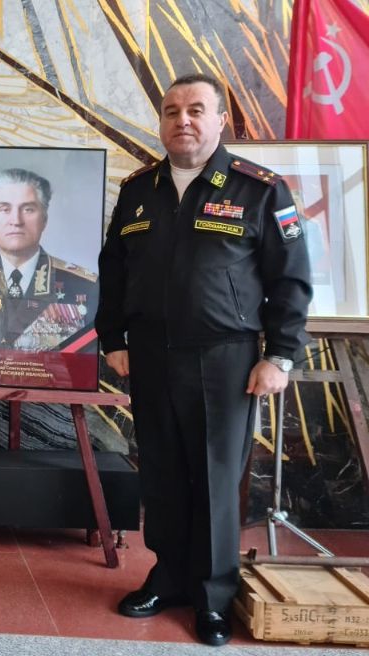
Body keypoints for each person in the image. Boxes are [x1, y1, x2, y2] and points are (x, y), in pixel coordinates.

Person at [96, 73, 311, 646]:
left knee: (215, 479)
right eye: (171, 111)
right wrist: (112, 338)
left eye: (195, 110)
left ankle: (214, 596)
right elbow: (114, 269)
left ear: (220, 121)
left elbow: (290, 280)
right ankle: (168, 576)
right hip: (149, 354)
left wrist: (281, 355)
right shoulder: (139, 189)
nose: (182, 120)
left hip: (226, 358)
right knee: (162, 472)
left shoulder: (259, 189)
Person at [0, 168, 96, 352]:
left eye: (28, 209)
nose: (16, 220)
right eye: (4, 209)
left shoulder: (84, 286)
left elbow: (88, 360)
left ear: (44, 219)